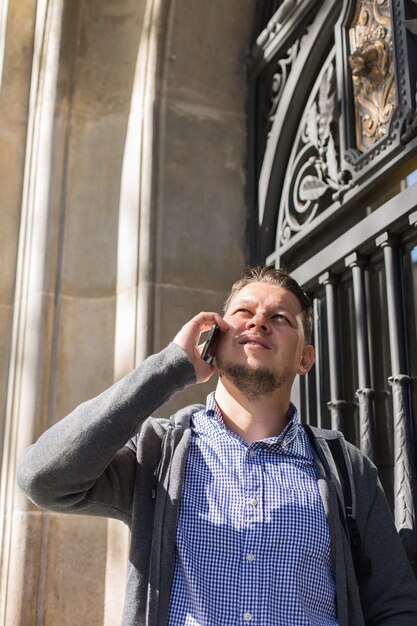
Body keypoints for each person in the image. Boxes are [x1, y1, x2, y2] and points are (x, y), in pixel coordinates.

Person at [17, 266, 417, 625]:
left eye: (279, 318)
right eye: (244, 313)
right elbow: (43, 478)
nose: (259, 322)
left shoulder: (346, 467)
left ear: (305, 359)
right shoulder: (159, 451)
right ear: (214, 338)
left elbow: (394, 604)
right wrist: (169, 368)